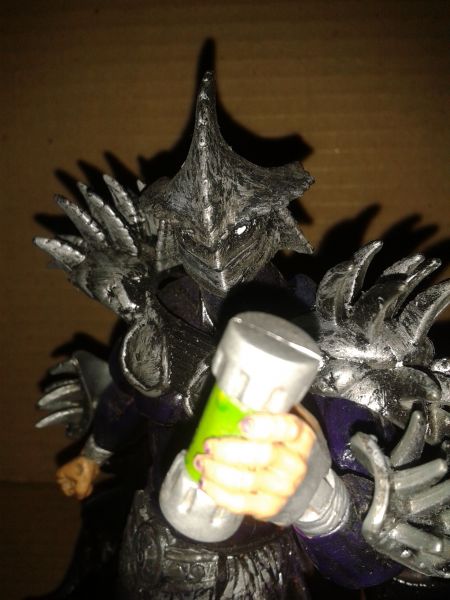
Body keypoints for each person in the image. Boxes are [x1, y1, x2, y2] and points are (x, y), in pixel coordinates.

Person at [35, 72, 450, 599]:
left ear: (269, 223)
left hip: (255, 570)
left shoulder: (326, 350)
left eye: (234, 230)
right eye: (193, 232)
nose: (213, 244)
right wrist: (94, 455)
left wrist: (321, 503)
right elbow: (127, 395)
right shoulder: (158, 321)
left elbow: (373, 551)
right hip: (150, 550)